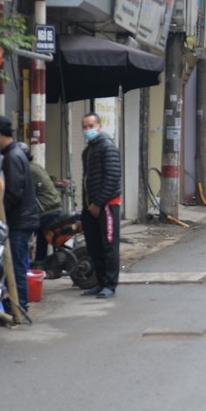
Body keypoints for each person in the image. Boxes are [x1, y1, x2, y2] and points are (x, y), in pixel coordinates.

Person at [0, 116, 40, 311]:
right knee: (17, 263)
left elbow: (14, 192)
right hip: (23, 218)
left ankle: (19, 306)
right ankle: (18, 305)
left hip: (19, 220)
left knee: (16, 265)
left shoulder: (12, 157)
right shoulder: (15, 154)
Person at [80, 112, 121, 299]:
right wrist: (88, 205)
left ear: (99, 126)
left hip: (106, 205)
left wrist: (98, 203)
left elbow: (112, 177)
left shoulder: (107, 147)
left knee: (108, 245)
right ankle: (100, 281)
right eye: (85, 126)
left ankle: (110, 285)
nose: (87, 130)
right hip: (90, 207)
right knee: (94, 246)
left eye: (91, 126)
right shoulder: (88, 151)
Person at [21, 143, 62, 264]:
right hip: (53, 208)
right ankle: (40, 263)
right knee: (42, 238)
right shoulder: (35, 166)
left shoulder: (28, 170)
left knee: (23, 233)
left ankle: (36, 264)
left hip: (47, 211)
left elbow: (23, 192)